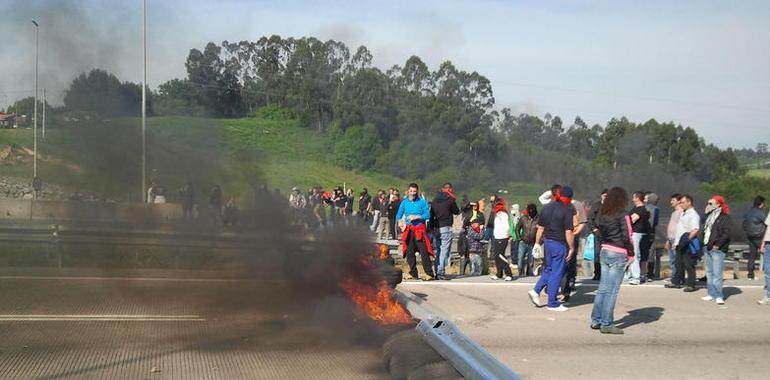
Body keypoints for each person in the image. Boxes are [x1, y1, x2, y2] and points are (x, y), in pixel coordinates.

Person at [590, 187, 634, 334]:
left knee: (603, 288)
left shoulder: (603, 214)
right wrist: (631, 253)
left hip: (605, 249)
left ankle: (596, 319)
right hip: (619, 252)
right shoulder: (623, 214)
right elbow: (628, 235)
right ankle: (606, 323)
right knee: (612, 291)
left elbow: (598, 231)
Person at [528, 186, 575, 311]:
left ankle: (536, 290)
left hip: (547, 242)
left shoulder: (546, 207)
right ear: (569, 198)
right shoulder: (567, 210)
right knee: (557, 272)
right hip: (559, 243)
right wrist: (571, 248)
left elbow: (540, 228)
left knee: (549, 269)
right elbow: (568, 231)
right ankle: (552, 303)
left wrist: (537, 243)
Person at [395, 183, 435, 281]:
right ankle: (413, 273)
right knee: (409, 253)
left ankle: (429, 273)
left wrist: (417, 216)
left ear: (417, 192)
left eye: (414, 191)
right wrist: (400, 222)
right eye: (411, 191)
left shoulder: (422, 202)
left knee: (424, 252)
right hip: (409, 230)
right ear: (408, 191)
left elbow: (427, 214)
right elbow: (398, 215)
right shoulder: (404, 202)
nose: (412, 193)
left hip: (419, 230)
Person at [665, 194, 701, 292]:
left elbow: (695, 229)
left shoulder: (693, 214)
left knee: (689, 264)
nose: (681, 204)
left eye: (683, 202)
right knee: (678, 263)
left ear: (689, 203)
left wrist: (687, 240)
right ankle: (676, 282)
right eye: (680, 202)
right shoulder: (683, 213)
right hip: (679, 243)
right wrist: (676, 243)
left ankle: (691, 284)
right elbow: (680, 229)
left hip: (687, 243)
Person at [701, 195, 732, 305]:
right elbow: (702, 225)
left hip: (717, 248)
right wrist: (705, 212)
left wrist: (718, 245)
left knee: (717, 273)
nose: (708, 205)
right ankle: (711, 293)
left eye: (711, 203)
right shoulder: (709, 215)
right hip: (707, 246)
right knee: (709, 272)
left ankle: (719, 295)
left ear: (718, 204)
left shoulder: (724, 217)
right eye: (708, 203)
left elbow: (726, 233)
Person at [431, 183, 460, 280]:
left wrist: (431, 228)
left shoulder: (435, 200)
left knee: (438, 250)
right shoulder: (450, 200)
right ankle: (440, 272)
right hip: (446, 227)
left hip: (436, 227)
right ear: (450, 189)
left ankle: (436, 270)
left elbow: (431, 215)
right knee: (444, 250)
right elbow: (456, 211)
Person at [626, 191, 651, 285]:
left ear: (637, 198)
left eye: (634, 197)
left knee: (635, 255)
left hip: (637, 233)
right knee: (631, 255)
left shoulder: (641, 209)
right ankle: (630, 275)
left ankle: (636, 277)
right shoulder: (635, 208)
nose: (632, 199)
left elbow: (632, 219)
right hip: (634, 233)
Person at [742, 195, 767, 280]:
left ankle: (750, 275)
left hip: (750, 236)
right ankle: (768, 275)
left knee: (752, 255)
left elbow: (744, 225)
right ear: (761, 203)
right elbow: (767, 223)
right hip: (760, 237)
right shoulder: (760, 212)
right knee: (767, 254)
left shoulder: (748, 212)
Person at [588, 189, 609, 280]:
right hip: (598, 233)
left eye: (607, 196)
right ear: (601, 196)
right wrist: (594, 229)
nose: (605, 197)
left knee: (608, 254)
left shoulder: (612, 206)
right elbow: (590, 219)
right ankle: (597, 273)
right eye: (604, 195)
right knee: (597, 253)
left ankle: (607, 273)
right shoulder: (596, 205)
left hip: (609, 233)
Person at [491, 198, 513, 281]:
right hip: (497, 237)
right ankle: (499, 273)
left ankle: (509, 274)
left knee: (501, 256)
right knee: (496, 256)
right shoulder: (496, 214)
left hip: (503, 237)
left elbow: (507, 227)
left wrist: (507, 235)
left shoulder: (503, 214)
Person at [516, 203, 539, 277]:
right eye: (529, 210)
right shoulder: (523, 218)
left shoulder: (539, 219)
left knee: (530, 262)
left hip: (532, 243)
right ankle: (521, 274)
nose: (531, 211)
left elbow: (542, 230)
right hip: (523, 242)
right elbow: (517, 229)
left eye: (532, 210)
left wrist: (539, 241)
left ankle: (529, 275)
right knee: (520, 260)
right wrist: (519, 238)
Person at [665, 194, 683, 281]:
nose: (671, 202)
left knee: (677, 260)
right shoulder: (674, 213)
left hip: (677, 239)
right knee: (672, 260)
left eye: (673, 200)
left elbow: (681, 227)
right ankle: (674, 276)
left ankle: (678, 278)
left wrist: (677, 240)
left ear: (679, 201)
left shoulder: (682, 212)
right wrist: (668, 240)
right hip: (671, 239)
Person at [645, 192, 661, 279]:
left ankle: (642, 272)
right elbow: (655, 222)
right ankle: (650, 273)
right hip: (651, 233)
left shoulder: (644, 208)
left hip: (643, 232)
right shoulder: (656, 209)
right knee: (651, 253)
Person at [758, 209, 770, 305]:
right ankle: (769, 295)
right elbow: (768, 227)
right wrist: (762, 243)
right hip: (768, 244)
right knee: (768, 271)